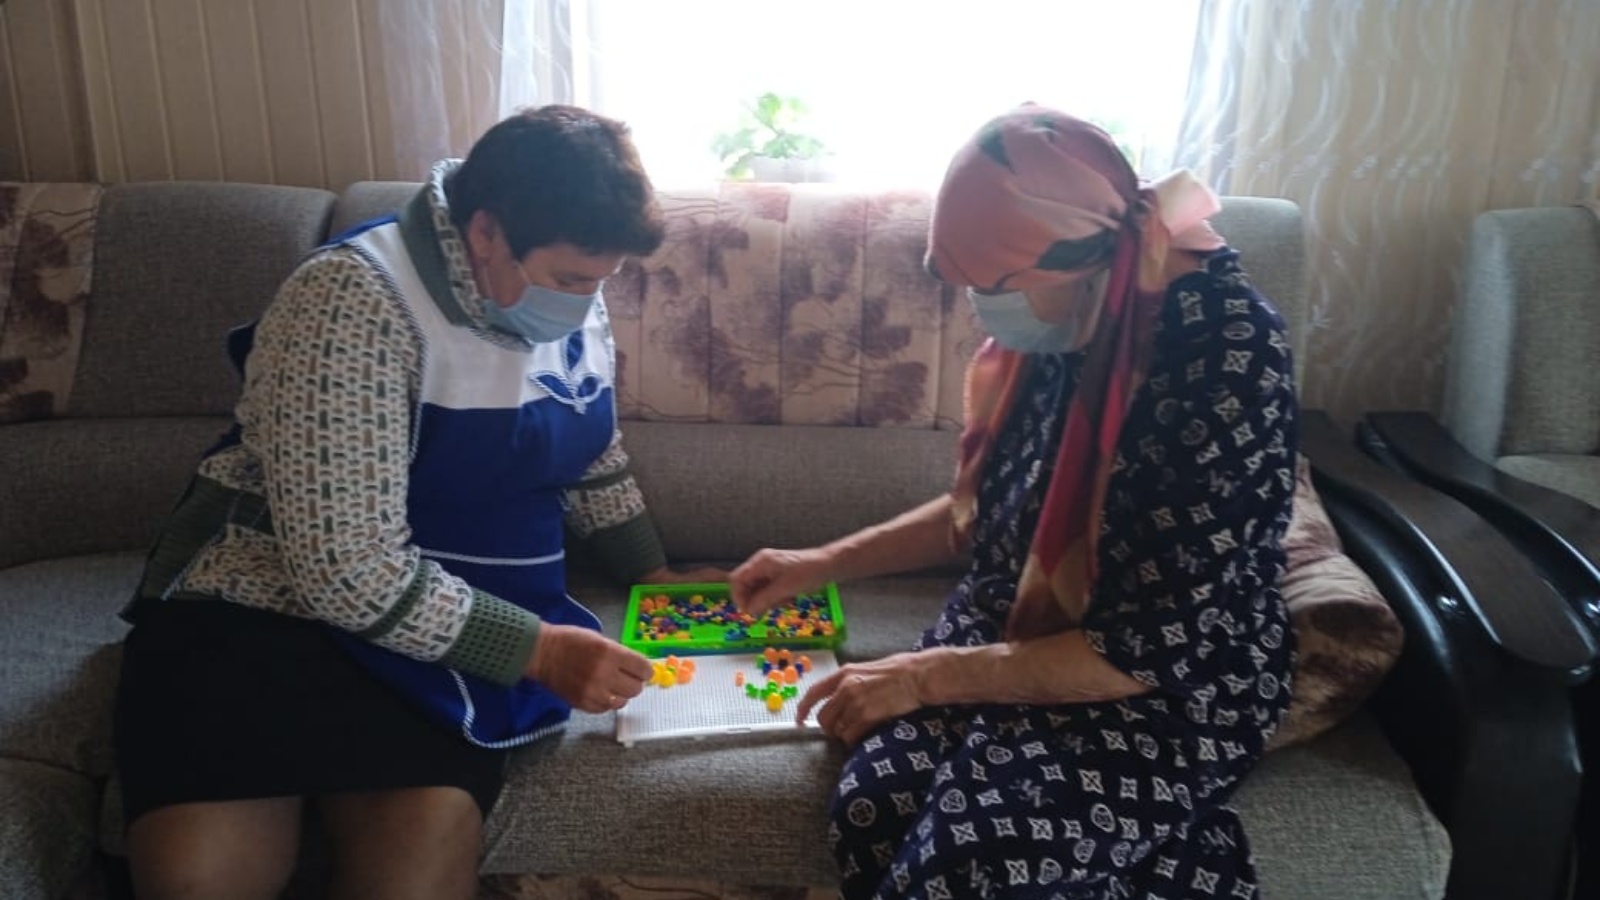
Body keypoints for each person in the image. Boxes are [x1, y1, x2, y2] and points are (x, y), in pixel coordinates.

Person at [114, 105, 721, 900]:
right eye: (574, 279)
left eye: (601, 280)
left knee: (416, 858)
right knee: (201, 877)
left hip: (450, 628)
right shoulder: (350, 299)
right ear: (485, 232)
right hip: (263, 609)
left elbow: (587, 451)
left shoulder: (558, 290)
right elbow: (346, 570)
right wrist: (539, 651)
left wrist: (652, 572)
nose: (586, 302)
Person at [730, 105, 1298, 899]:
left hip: (1155, 679)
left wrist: (921, 678)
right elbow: (990, 511)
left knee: (969, 869)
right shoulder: (1072, 322)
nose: (980, 310)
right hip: (1013, 619)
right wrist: (822, 562)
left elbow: (1145, 649)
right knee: (870, 811)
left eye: (995, 288)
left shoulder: (1226, 355)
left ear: (1082, 257)